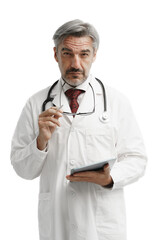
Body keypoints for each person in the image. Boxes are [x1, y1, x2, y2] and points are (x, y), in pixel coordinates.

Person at [11, 19, 147, 240]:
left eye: (83, 54)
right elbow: (21, 168)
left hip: (102, 225)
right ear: (56, 54)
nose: (75, 63)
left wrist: (109, 178)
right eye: (67, 54)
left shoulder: (116, 102)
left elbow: (137, 158)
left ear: (94, 55)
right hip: (57, 221)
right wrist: (40, 141)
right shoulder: (36, 104)